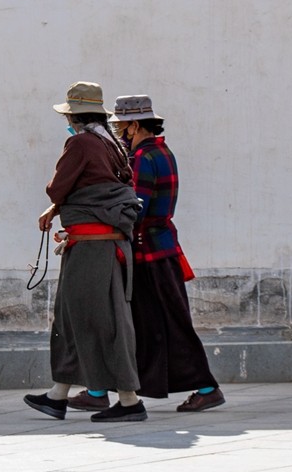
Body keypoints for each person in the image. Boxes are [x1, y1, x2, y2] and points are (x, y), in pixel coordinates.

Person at [67, 94, 224, 412]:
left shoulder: (141, 158)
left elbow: (133, 209)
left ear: (135, 126)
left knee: (159, 324)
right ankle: (100, 391)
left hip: (148, 255)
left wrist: (98, 225)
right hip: (160, 251)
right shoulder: (163, 152)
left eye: (121, 127)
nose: (119, 134)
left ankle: (207, 388)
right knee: (135, 325)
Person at [23, 81, 148, 423]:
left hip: (93, 251)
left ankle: (129, 400)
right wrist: (58, 209)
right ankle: (57, 396)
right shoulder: (112, 144)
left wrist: (56, 202)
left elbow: (57, 187)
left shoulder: (79, 143)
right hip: (107, 246)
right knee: (76, 318)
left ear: (75, 117)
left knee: (99, 322)